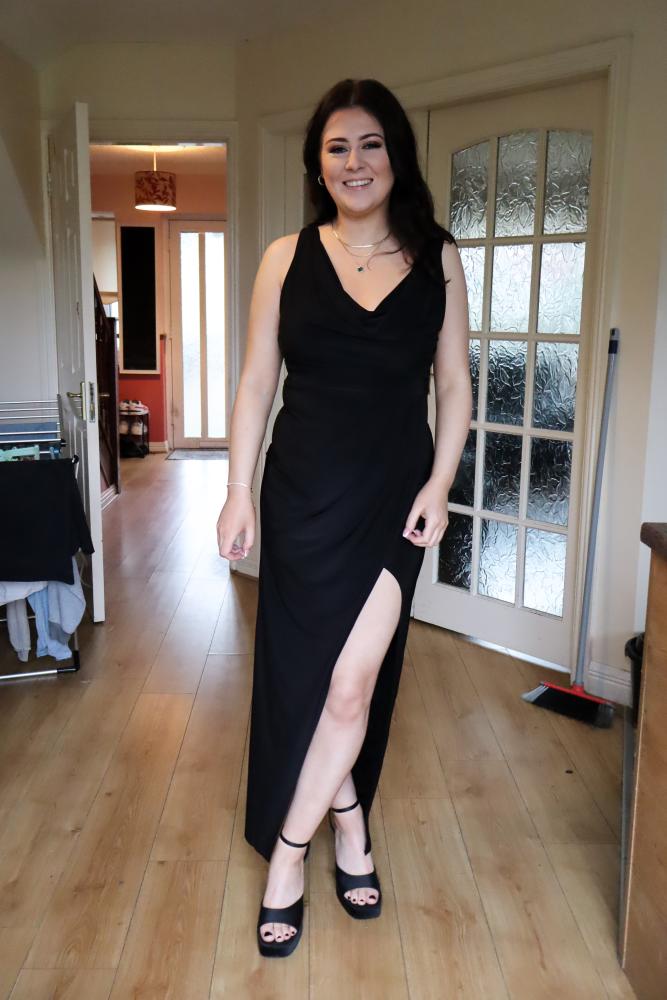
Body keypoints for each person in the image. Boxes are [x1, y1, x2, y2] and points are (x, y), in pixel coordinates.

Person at [217, 77, 471, 958]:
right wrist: (237, 488)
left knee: (353, 682)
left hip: (394, 500)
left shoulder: (438, 257)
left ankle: (289, 854)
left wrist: (441, 484)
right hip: (300, 498)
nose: (354, 162)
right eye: (337, 147)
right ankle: (350, 818)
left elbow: (454, 385)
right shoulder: (285, 257)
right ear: (316, 164)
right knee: (307, 678)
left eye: (370, 144)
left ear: (395, 155)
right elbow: (257, 382)